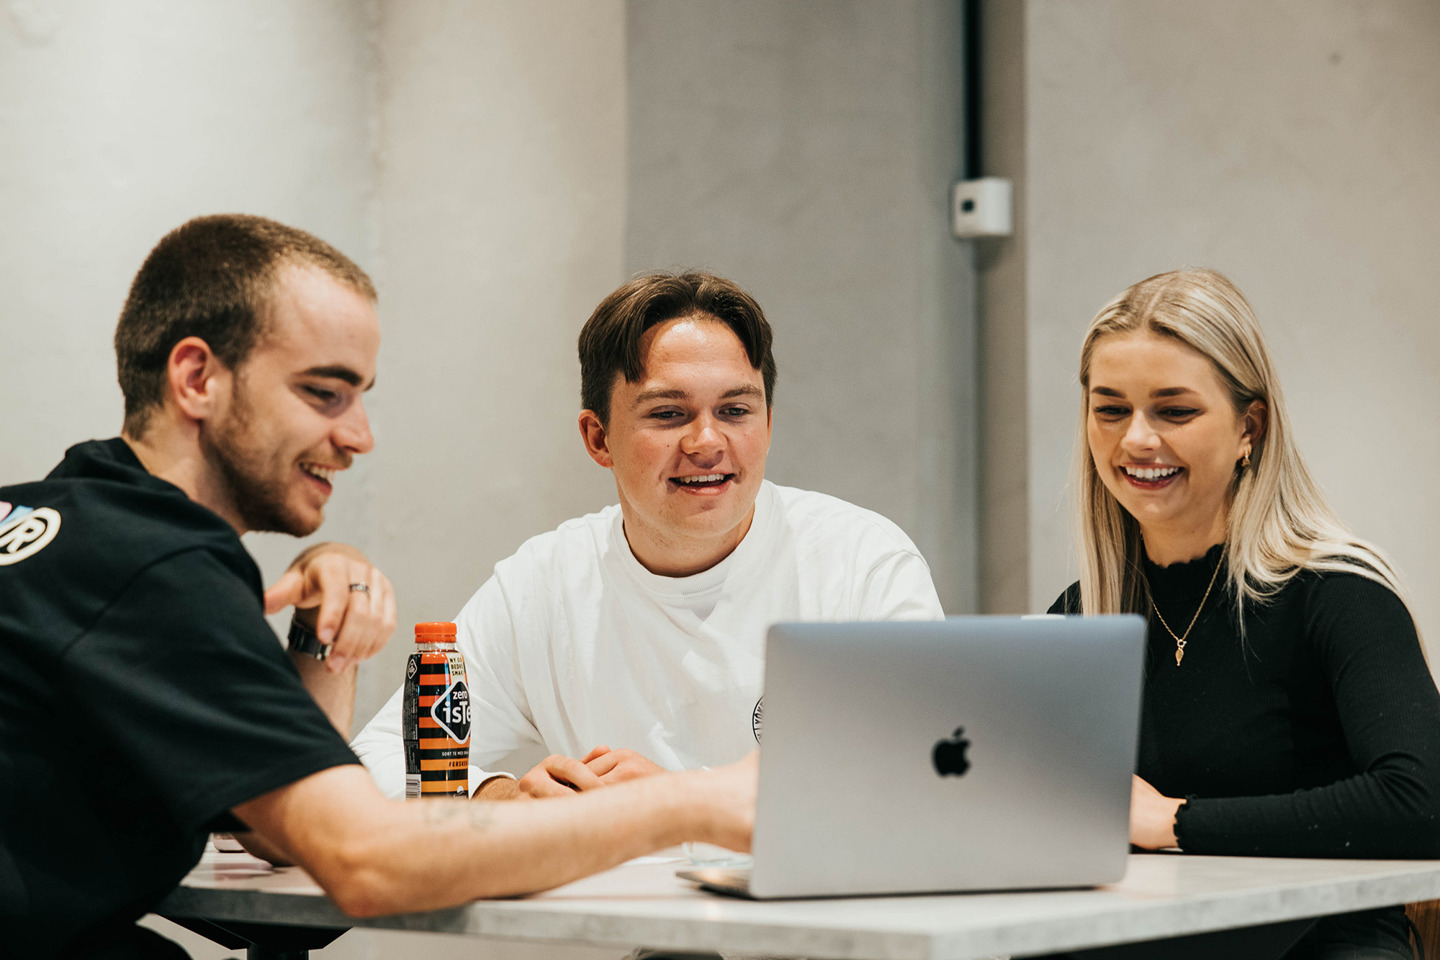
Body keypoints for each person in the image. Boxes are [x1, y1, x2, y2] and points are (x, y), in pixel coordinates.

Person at [0, 216, 754, 960]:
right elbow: (366, 860)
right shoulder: (153, 571)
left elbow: (276, 828)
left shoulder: (69, 522)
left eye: (359, 395)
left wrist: (321, 632)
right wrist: (689, 803)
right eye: (324, 393)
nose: (359, 435)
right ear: (197, 378)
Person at [351, 271, 944, 800]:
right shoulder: (545, 582)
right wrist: (502, 800)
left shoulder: (859, 560)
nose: (707, 442)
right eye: (668, 414)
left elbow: (923, 772)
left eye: (736, 411)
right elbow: (375, 761)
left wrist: (673, 804)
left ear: (768, 423)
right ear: (598, 438)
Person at [1049, 267, 1440, 958]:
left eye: (1174, 411)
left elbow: (1420, 802)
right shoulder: (1082, 616)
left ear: (1248, 428)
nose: (1136, 440)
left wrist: (1174, 821)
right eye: (1110, 409)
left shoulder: (1339, 594)